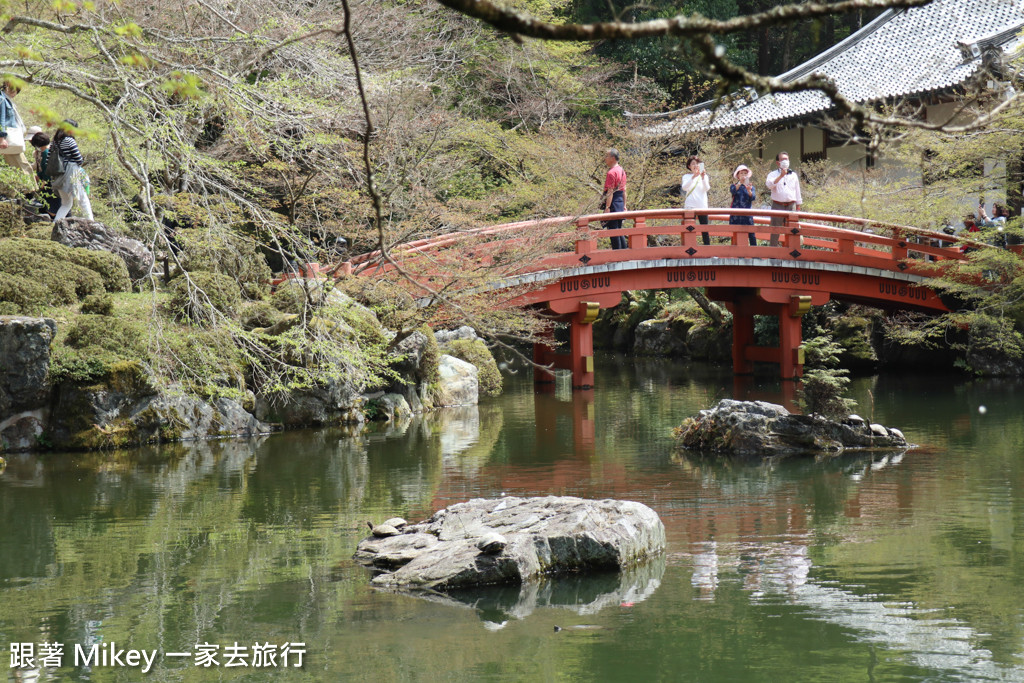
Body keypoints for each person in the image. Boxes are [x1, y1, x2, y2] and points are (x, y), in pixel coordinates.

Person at [52, 120, 93, 221]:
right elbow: (79, 159)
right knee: (83, 199)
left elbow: (50, 159)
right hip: (72, 173)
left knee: (66, 203)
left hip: (59, 175)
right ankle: (91, 222)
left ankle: (55, 224)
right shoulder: (70, 140)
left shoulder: (54, 142)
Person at [0, 82, 35, 181]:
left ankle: (21, 191)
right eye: (14, 90)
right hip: (7, 138)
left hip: (8, 138)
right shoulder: (2, 99)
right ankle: (29, 190)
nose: (14, 94)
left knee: (14, 166)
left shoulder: (5, 99)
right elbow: (1, 120)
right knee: (21, 164)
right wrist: (1, 138)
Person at [766, 151, 802, 246]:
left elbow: (797, 190)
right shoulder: (773, 174)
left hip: (791, 205)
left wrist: (798, 205)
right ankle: (773, 252)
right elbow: (769, 185)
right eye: (782, 159)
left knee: (792, 230)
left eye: (786, 159)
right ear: (778, 162)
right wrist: (781, 176)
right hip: (778, 205)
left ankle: (791, 251)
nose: (785, 161)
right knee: (775, 230)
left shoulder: (793, 174)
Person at [681, 155, 711, 245]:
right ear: (689, 166)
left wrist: (702, 177)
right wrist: (694, 176)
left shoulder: (704, 176)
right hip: (690, 206)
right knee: (690, 229)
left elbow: (707, 188)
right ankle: (689, 247)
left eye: (697, 163)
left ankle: (707, 249)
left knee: (705, 229)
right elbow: (684, 187)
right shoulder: (686, 176)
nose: (695, 165)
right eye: (693, 163)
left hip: (702, 206)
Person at [601, 148, 627, 250]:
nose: (605, 159)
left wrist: (607, 207)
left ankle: (617, 254)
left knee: (613, 229)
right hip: (620, 202)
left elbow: (610, 191)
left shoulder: (611, 173)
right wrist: (624, 205)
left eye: (607, 156)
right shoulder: (622, 170)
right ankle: (624, 253)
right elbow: (624, 190)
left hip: (613, 202)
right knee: (619, 229)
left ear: (612, 158)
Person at [30, 132, 60, 219]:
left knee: (50, 204)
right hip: (53, 181)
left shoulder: (46, 152)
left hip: (49, 183)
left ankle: (51, 220)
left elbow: (46, 168)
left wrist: (43, 180)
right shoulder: (51, 150)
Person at [729, 164, 757, 246]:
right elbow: (733, 191)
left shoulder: (751, 187)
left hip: (747, 214)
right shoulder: (734, 185)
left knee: (751, 234)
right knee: (735, 234)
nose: (743, 175)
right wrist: (740, 183)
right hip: (736, 214)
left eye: (745, 173)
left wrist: (749, 190)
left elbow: (753, 197)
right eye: (741, 173)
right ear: (737, 175)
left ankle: (754, 253)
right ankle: (736, 254)